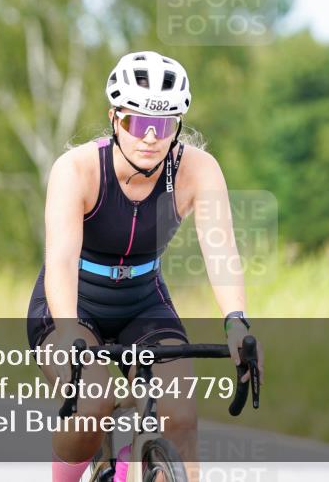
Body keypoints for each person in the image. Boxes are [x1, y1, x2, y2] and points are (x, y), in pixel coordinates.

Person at [27, 50, 263, 482]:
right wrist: (66, 332)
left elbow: (221, 249)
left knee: (181, 416)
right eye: (139, 123)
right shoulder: (77, 169)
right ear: (115, 118)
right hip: (73, 301)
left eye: (165, 124)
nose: (151, 137)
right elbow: (60, 259)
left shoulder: (197, 169)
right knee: (93, 405)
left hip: (143, 301)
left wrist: (236, 325)